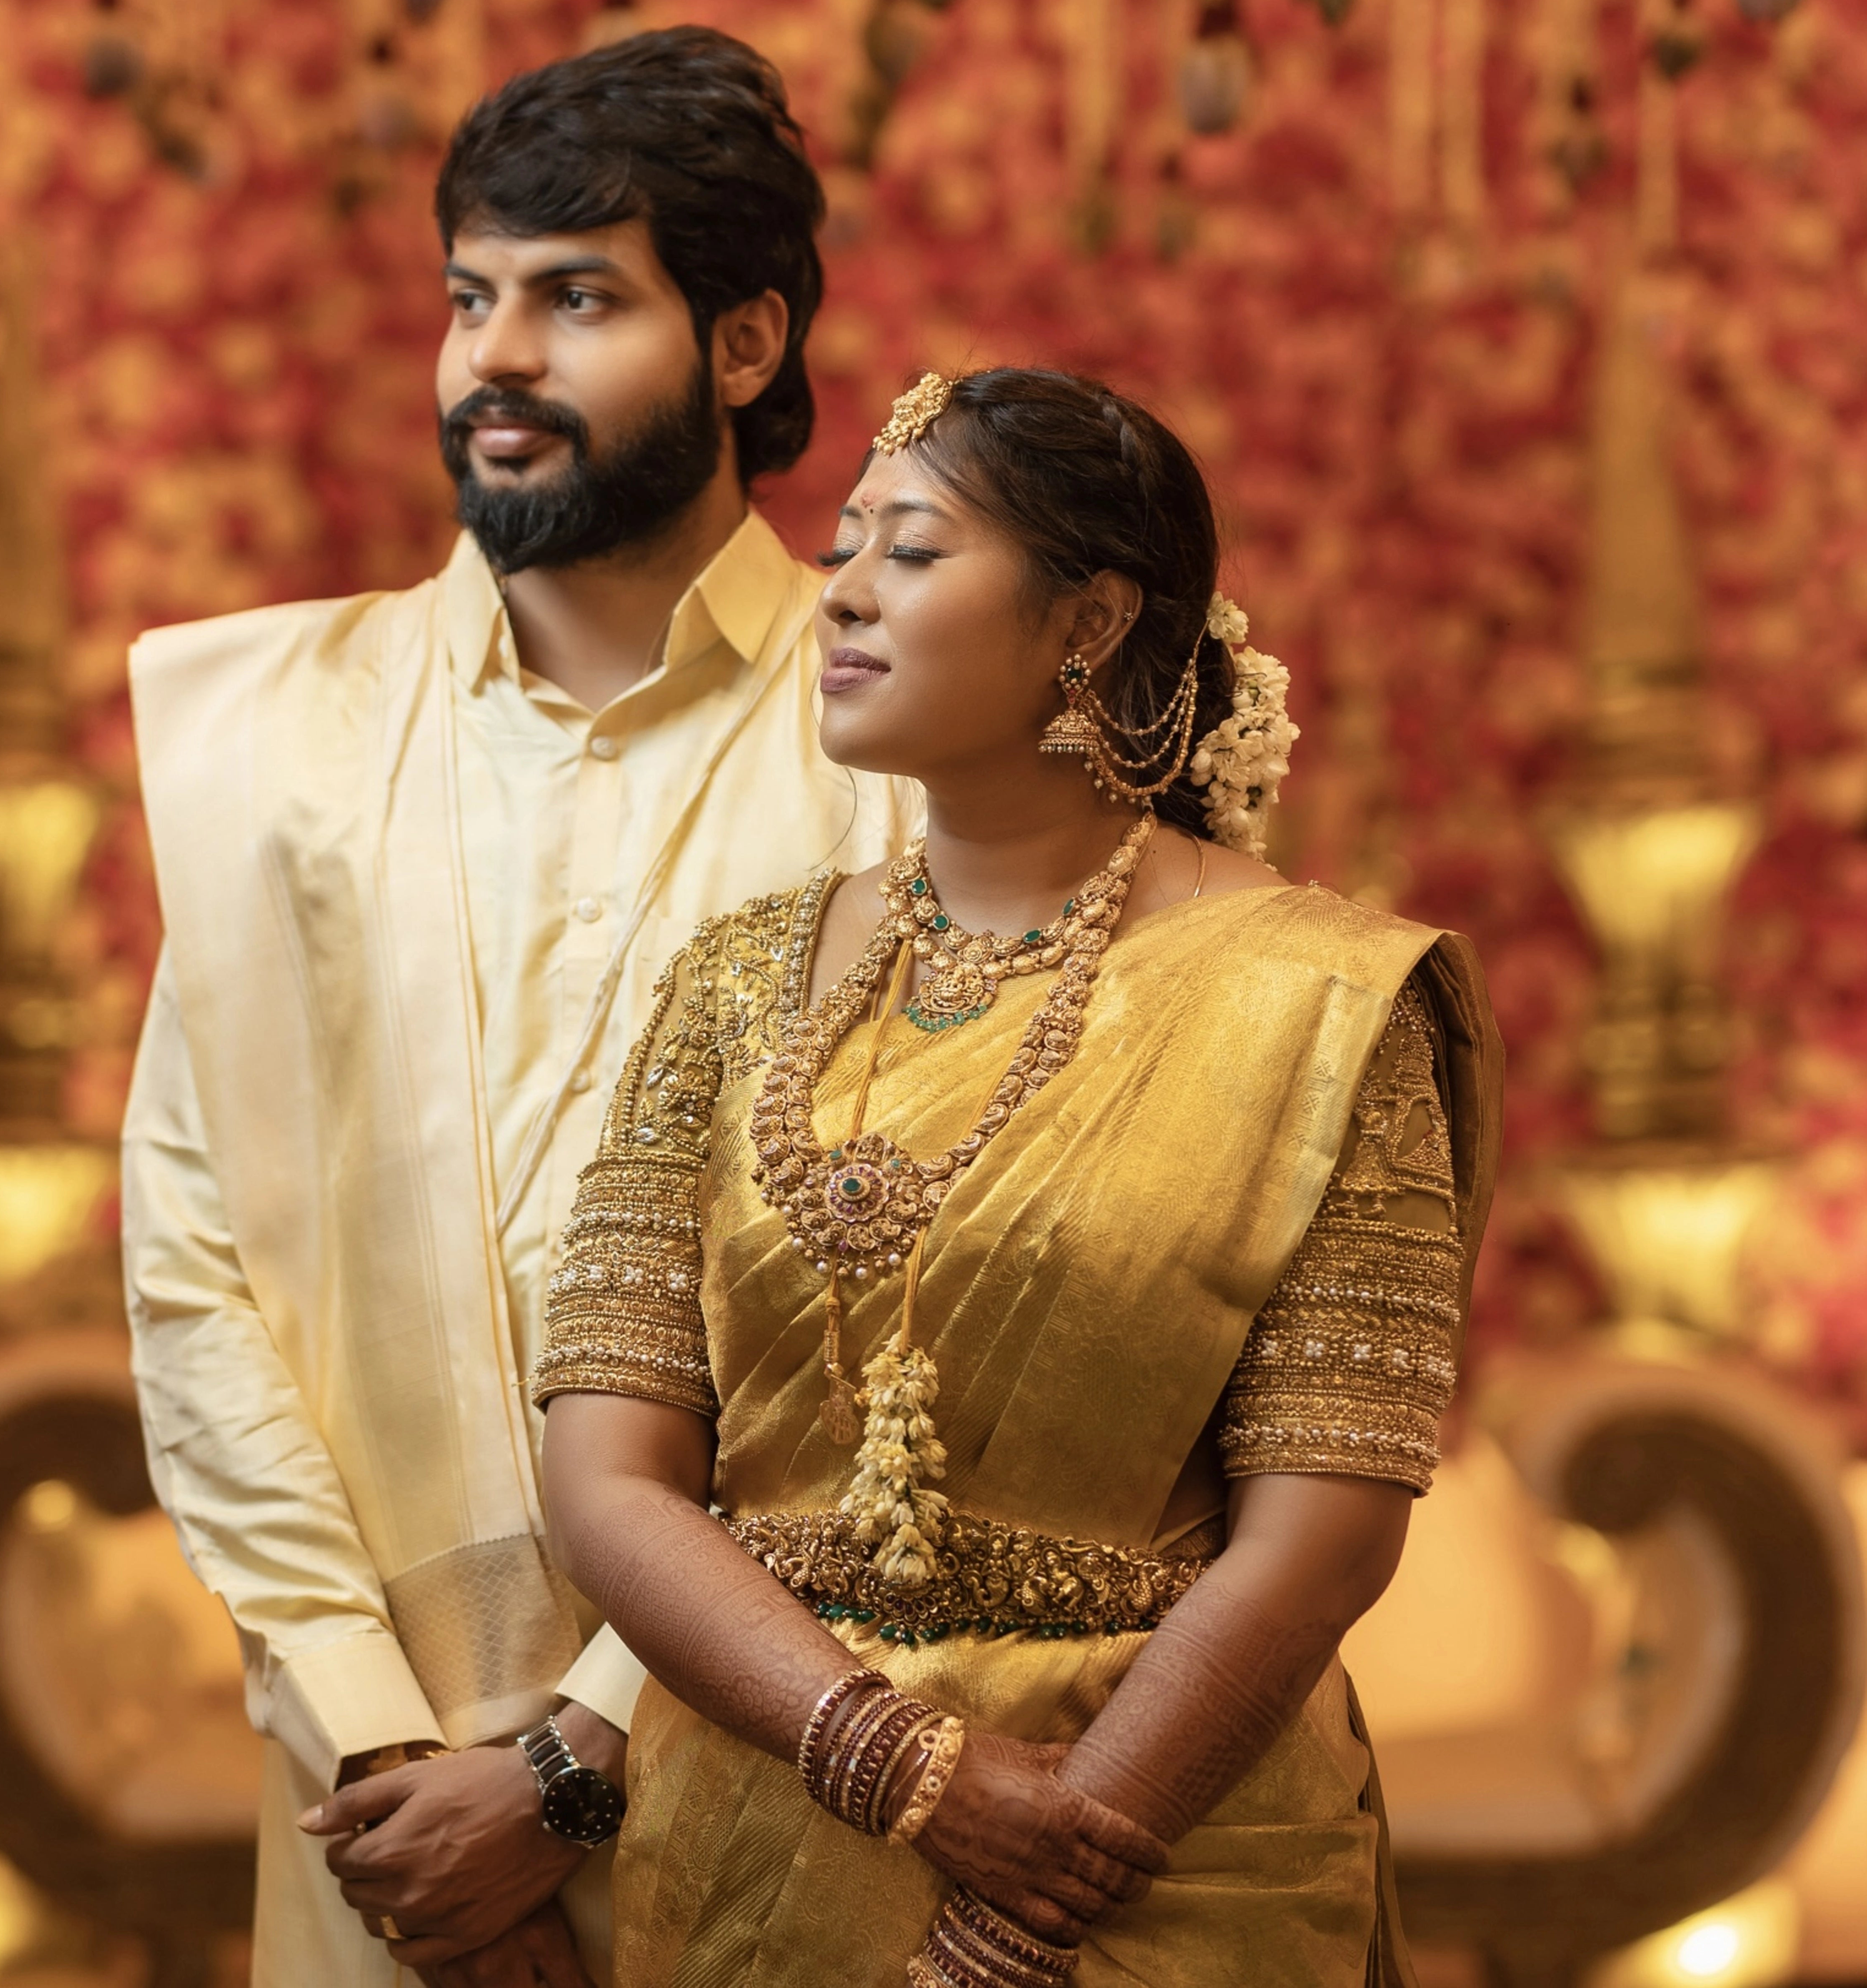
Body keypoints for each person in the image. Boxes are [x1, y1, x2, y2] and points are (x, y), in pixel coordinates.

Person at [532, 367, 1503, 1987]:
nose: (837, 590)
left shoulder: (1323, 1002)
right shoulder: (730, 981)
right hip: (762, 1854)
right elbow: (607, 1475)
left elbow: (1320, 1538)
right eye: (841, 544)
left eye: (907, 551)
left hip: (1155, 1872)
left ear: (1087, 619)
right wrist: (895, 1759)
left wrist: (1024, 1900)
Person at [121, 28, 917, 1988]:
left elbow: (934, 1307)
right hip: (374, 1834)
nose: (495, 360)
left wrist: (578, 1760)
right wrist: (380, 1746)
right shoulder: (288, 745)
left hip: (788, 1776)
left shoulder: (897, 753)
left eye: (577, 299)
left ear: (742, 345)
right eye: (470, 295)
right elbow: (192, 1265)